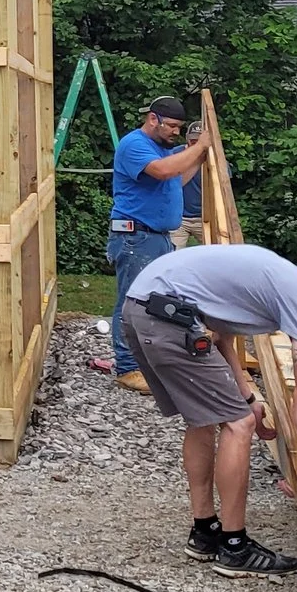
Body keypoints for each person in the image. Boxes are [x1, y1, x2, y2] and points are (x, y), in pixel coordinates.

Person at [119, 243, 297, 578]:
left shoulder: (274, 276)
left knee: (203, 419)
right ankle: (235, 547)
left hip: (143, 309)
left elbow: (221, 338)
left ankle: (204, 532)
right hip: (168, 319)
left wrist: (247, 399)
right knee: (238, 425)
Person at [94, 98, 211, 384]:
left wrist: (198, 158)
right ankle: (127, 368)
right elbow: (163, 171)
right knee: (132, 301)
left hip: (156, 236)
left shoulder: (162, 149)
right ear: (153, 119)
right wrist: (198, 147)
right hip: (136, 237)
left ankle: (148, 360)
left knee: (157, 302)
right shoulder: (134, 144)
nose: (176, 132)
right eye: (171, 126)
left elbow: (175, 179)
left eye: (179, 127)